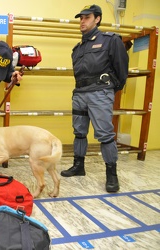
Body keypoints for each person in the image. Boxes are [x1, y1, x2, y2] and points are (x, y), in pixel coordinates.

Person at [60, 5, 129, 192]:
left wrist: (110, 89)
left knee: (105, 135)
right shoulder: (78, 48)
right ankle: (79, 166)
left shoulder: (110, 40)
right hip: (80, 93)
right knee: (79, 131)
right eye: (80, 18)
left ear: (97, 19)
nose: (82, 21)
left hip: (100, 92)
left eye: (87, 17)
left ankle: (112, 174)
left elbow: (122, 69)